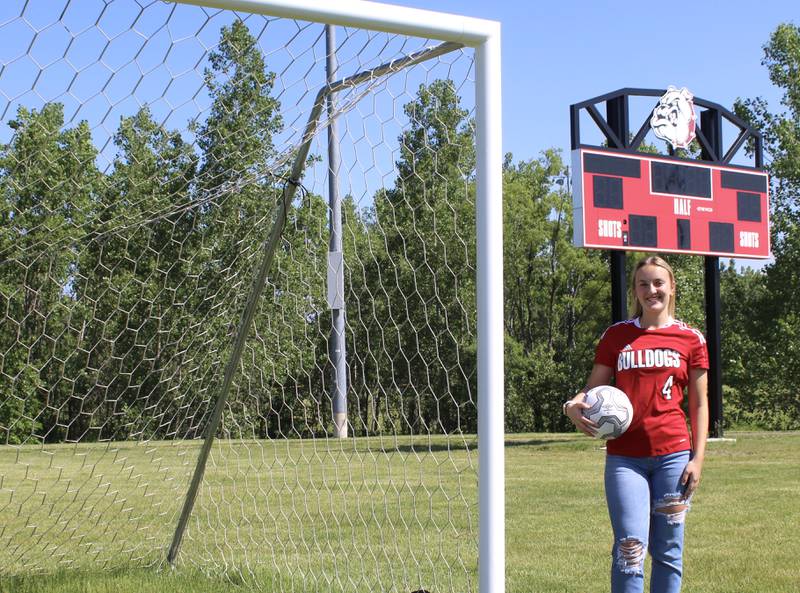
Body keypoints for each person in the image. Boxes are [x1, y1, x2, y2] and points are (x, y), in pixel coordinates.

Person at [563, 255, 709, 593]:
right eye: (643, 284)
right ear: (635, 290)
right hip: (624, 459)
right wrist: (572, 405)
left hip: (674, 456)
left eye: (658, 282)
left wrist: (698, 458)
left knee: (669, 550)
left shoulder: (691, 339)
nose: (651, 290)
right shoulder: (617, 335)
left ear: (672, 287)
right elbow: (591, 386)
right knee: (630, 547)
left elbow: (699, 403)